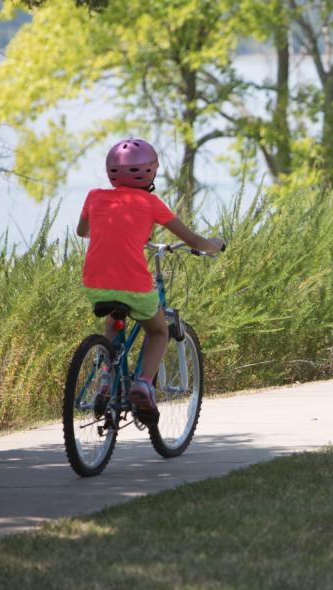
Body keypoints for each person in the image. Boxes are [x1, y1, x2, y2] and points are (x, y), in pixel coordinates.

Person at [77, 138, 224, 424]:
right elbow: (192, 239)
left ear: (110, 172)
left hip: (94, 283)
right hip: (134, 285)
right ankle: (143, 384)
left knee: (113, 321)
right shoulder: (151, 203)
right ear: (150, 173)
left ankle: (106, 377)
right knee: (158, 331)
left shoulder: (94, 196)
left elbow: (83, 231)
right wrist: (213, 245)